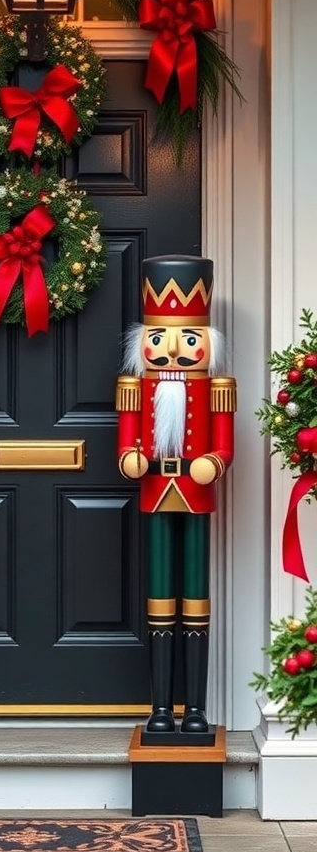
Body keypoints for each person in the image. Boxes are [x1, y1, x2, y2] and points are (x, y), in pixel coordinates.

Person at [116, 255, 236, 734]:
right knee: (161, 600)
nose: (173, 351)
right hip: (155, 493)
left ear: (205, 341)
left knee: (196, 602)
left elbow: (223, 445)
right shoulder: (136, 387)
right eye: (162, 339)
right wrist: (130, 459)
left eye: (188, 339)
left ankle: (197, 710)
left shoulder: (216, 387)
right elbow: (126, 442)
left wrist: (215, 461)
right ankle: (161, 707)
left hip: (196, 493)